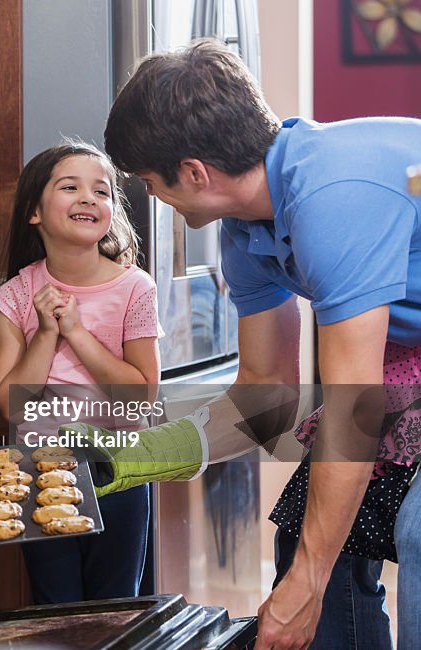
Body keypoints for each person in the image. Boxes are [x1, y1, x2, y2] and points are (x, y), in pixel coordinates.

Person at [85, 38, 421, 650]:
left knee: (418, 528)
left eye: (151, 182)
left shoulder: (332, 195)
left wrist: (305, 587)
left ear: (194, 172)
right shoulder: (247, 232)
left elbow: (355, 409)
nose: (153, 199)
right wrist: (119, 461)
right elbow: (265, 402)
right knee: (311, 534)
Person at [0, 139, 163, 603]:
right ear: (34, 212)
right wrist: (45, 332)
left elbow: (141, 399)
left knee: (115, 604)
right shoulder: (16, 295)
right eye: (71, 187)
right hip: (41, 472)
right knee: (56, 606)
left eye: (102, 191)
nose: (89, 198)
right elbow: (12, 405)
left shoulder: (134, 288)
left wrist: (79, 334)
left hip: (121, 469)